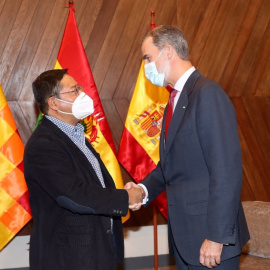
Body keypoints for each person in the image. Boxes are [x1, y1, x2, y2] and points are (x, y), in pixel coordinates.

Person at [125, 25, 250, 269]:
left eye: (148, 58)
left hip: (211, 241)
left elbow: (226, 172)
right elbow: (169, 166)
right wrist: (141, 190)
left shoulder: (207, 94)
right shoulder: (175, 100)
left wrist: (216, 236)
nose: (146, 66)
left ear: (168, 52)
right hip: (187, 239)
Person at [24, 69, 143, 270]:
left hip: (96, 251)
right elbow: (74, 195)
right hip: (69, 258)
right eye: (74, 90)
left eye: (79, 88)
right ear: (53, 103)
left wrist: (121, 192)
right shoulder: (44, 144)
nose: (82, 94)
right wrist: (125, 198)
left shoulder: (76, 135)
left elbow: (93, 185)